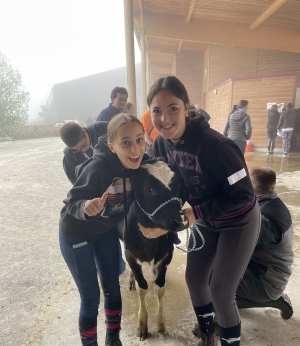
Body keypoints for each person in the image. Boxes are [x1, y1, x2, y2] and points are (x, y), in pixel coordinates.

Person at [139, 76, 260, 346]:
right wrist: (164, 219)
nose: (164, 118)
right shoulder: (159, 145)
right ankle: (208, 337)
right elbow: (170, 186)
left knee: (221, 291)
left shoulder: (217, 146)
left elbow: (243, 195)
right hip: (204, 219)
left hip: (237, 221)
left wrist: (192, 214)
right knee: (194, 280)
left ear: (186, 107)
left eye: (172, 108)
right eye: (156, 111)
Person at [59, 113, 147, 346]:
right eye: (125, 142)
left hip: (105, 230)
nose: (135, 149)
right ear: (112, 146)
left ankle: (113, 339)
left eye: (140, 140)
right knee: (90, 297)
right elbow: (72, 202)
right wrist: (85, 207)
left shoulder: (143, 164)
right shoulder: (99, 167)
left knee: (112, 289)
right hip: (76, 231)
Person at [60, 121, 108, 185]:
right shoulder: (69, 155)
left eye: (83, 146)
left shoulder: (103, 128)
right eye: (78, 150)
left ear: (84, 132)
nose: (83, 150)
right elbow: (77, 183)